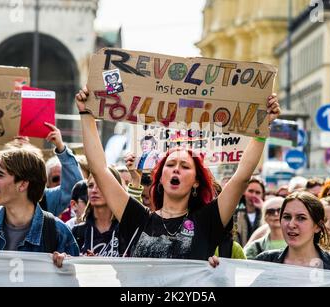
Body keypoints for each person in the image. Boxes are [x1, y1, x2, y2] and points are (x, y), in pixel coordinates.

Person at [58, 86, 280, 261]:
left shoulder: (207, 221)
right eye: (170, 165)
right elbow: (99, 169)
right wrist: (86, 114)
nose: (176, 169)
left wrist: (262, 129)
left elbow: (241, 176)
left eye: (185, 167)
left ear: (195, 182)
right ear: (161, 178)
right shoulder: (138, 218)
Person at [0, 148, 79, 255]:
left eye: (0, 175)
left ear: (23, 184)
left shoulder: (57, 231)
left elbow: (74, 278)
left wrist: (63, 266)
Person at [254, 191, 330, 273]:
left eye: (301, 218)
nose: (291, 224)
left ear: (317, 226)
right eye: (287, 217)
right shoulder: (265, 261)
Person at [71, 168, 122, 257]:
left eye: (100, 185)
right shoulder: (78, 231)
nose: (94, 190)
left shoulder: (125, 230)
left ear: (115, 188)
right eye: (90, 185)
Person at [234, 177, 265, 247]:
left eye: (258, 192)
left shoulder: (266, 213)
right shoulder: (235, 213)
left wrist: (263, 208)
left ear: (262, 195)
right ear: (244, 192)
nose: (253, 195)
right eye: (250, 191)